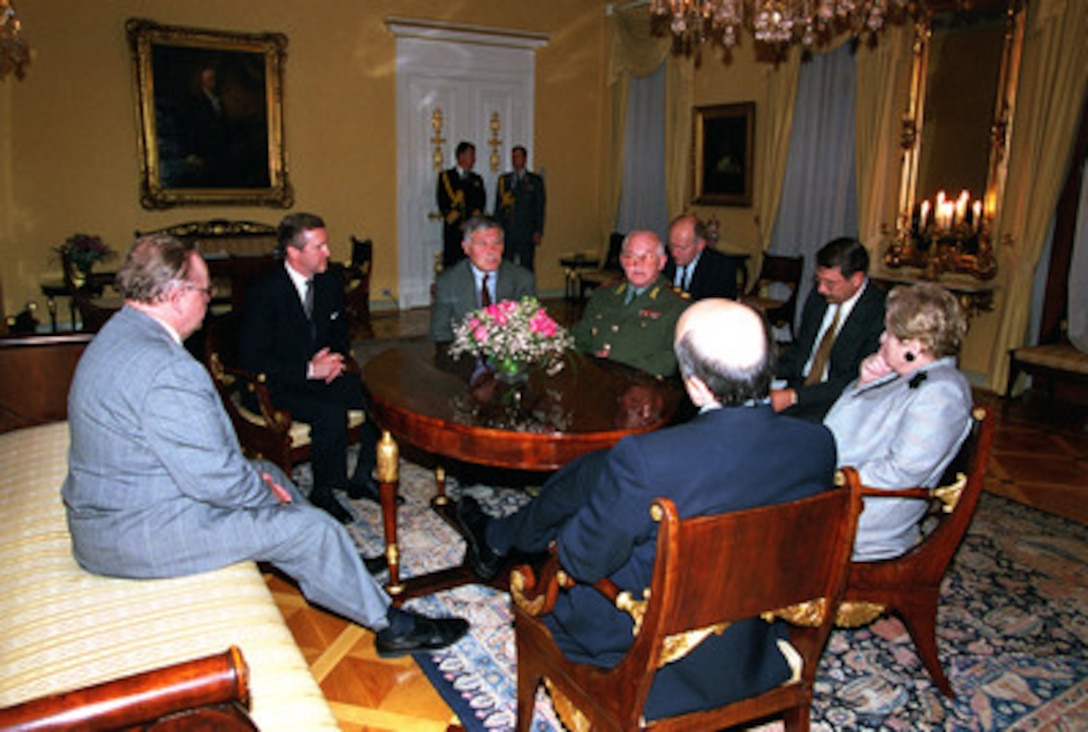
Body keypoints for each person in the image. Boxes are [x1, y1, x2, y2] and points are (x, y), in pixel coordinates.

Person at [62, 233, 469, 659]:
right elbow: (215, 481)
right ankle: (394, 625)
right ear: (176, 295)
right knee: (303, 526)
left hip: (126, 504)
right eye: (205, 292)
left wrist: (260, 484)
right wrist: (260, 495)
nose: (209, 301)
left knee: (271, 473)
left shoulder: (120, 332)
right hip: (136, 532)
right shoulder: (168, 370)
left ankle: (340, 562)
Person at [455, 298, 837, 719]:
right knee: (593, 475)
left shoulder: (648, 458)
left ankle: (501, 536)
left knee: (565, 548)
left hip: (642, 656)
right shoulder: (817, 443)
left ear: (694, 384)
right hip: (752, 650)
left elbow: (581, 561)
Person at [239, 213, 384, 524]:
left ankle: (361, 477)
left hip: (321, 373)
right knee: (330, 413)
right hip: (275, 384)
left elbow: (340, 335)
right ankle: (324, 492)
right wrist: (308, 369)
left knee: (377, 399)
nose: (328, 253)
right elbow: (252, 360)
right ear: (294, 253)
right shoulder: (263, 292)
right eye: (319, 247)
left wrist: (336, 361)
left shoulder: (329, 281)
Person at [824, 282, 972, 561]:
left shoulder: (942, 393)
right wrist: (863, 384)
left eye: (890, 334)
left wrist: (827, 477)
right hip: (844, 493)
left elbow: (901, 474)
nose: (882, 339)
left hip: (865, 517)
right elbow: (840, 426)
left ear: (915, 345)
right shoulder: (906, 373)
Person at [770, 237, 886, 421]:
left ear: (857, 279)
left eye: (830, 283)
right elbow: (800, 352)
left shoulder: (878, 312)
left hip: (838, 402)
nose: (821, 289)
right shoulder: (819, 299)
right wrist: (764, 372)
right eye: (818, 280)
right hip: (799, 388)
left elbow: (855, 380)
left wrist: (795, 397)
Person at [571, 230, 689, 378]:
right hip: (596, 380)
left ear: (662, 262)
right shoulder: (604, 294)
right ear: (621, 261)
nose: (637, 264)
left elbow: (672, 359)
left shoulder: (677, 305)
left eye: (647, 257)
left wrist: (620, 367)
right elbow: (580, 336)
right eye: (630, 256)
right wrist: (593, 361)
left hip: (644, 386)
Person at [430, 215, 535, 344]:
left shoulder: (522, 279)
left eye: (497, 243)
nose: (491, 251)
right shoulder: (448, 282)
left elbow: (530, 328)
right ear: (466, 248)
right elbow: (440, 333)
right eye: (482, 244)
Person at [494, 145, 546, 272]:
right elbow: (498, 207)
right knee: (506, 266)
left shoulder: (535, 181)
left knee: (526, 266)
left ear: (524, 159)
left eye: (518, 157)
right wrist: (497, 230)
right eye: (513, 157)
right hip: (508, 230)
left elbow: (540, 207)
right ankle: (508, 292)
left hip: (526, 231)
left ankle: (526, 292)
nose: (515, 160)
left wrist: (538, 230)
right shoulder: (504, 180)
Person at [663, 214, 738, 300]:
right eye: (672, 245)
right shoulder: (662, 258)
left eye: (682, 248)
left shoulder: (721, 268)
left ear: (700, 245)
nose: (674, 253)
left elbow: (720, 307)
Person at [437, 141, 487, 269]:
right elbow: (443, 202)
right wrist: (458, 221)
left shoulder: (477, 179)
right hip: (453, 228)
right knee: (452, 264)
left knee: (471, 264)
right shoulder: (446, 177)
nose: (474, 159)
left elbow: (480, 203)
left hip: (471, 231)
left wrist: (470, 223)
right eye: (471, 155)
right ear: (461, 156)